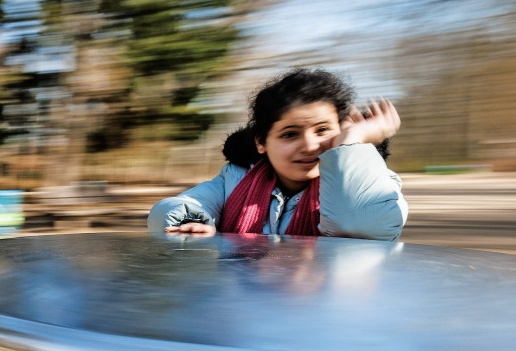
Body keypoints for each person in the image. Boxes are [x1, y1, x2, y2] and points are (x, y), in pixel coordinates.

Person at [147, 68, 407, 240]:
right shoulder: (233, 180)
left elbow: (363, 226)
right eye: (289, 134)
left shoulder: (380, 184)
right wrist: (192, 223)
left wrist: (352, 143)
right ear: (261, 142)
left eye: (323, 130)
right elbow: (167, 211)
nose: (309, 145)